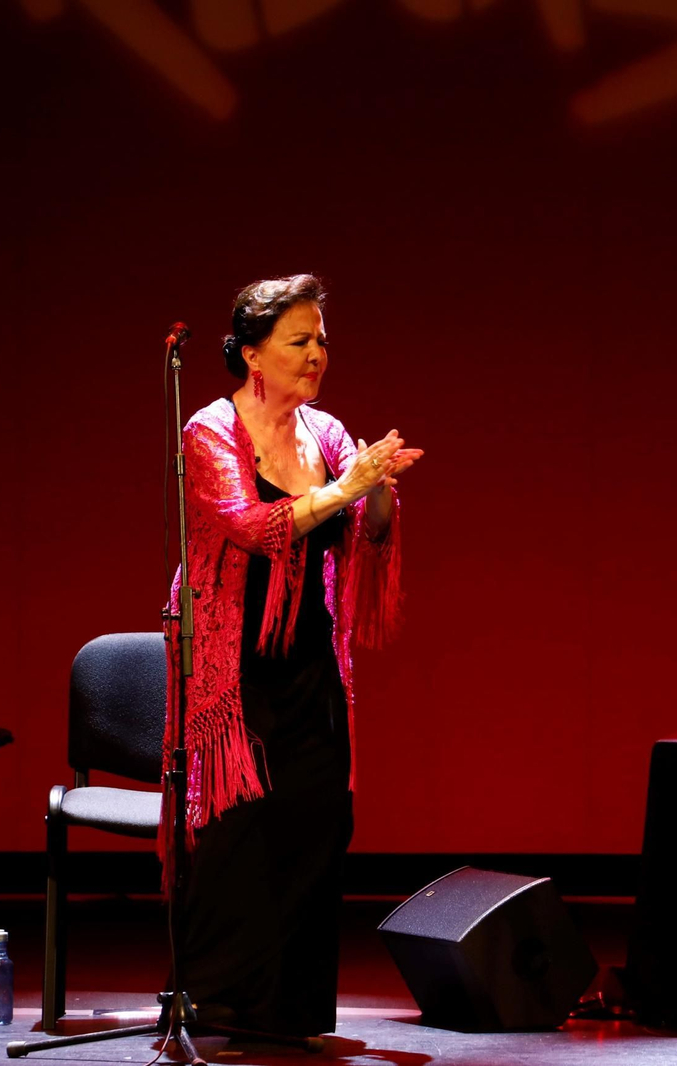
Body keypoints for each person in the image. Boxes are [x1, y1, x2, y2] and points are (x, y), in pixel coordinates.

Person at [161, 274, 423, 1038]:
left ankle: (290, 1009)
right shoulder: (210, 431)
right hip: (229, 659)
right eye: (299, 340)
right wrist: (347, 488)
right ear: (252, 354)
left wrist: (377, 490)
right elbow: (254, 527)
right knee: (240, 830)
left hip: (311, 652)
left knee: (317, 821)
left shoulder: (328, 432)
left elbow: (367, 530)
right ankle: (215, 998)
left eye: (322, 339)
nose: (317, 354)